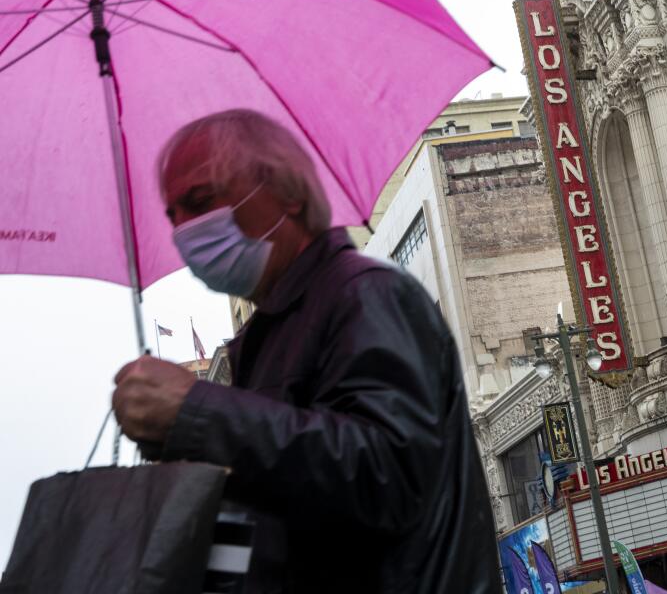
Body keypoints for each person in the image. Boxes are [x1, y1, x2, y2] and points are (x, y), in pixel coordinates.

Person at [110, 109, 501, 593]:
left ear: (288, 192)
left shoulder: (365, 296)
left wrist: (198, 412)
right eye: (174, 215)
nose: (185, 230)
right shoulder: (266, 336)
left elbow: (386, 476)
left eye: (202, 201)